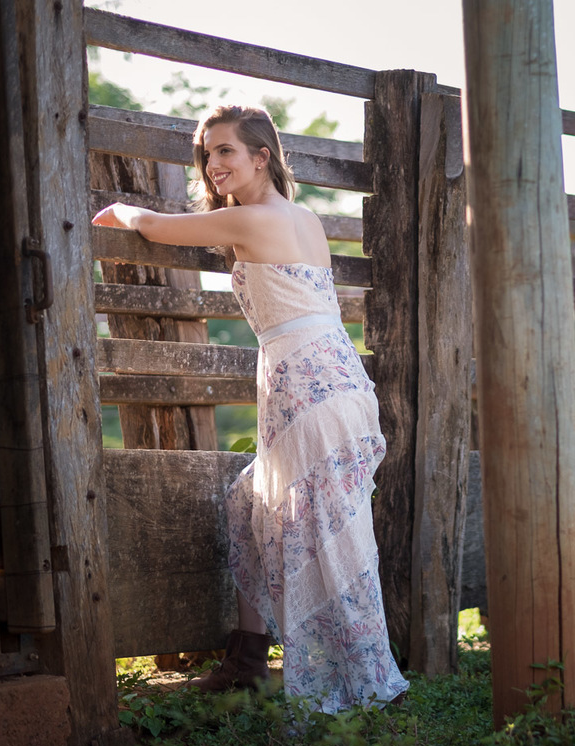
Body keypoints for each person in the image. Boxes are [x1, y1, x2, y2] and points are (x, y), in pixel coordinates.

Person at [93, 104, 408, 713]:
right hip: (328, 376)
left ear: (262, 156)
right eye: (206, 153)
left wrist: (120, 211)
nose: (212, 164)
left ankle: (369, 685)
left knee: (326, 531)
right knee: (251, 504)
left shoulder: (253, 218)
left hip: (309, 383)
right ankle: (247, 660)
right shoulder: (301, 217)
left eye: (226, 151)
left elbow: (154, 227)